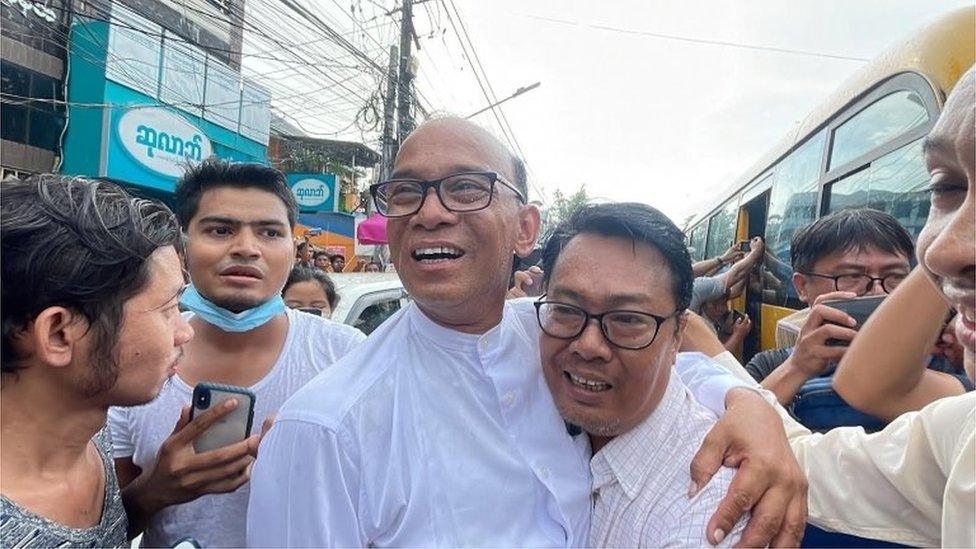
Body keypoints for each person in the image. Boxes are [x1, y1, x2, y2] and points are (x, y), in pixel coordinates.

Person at [248, 117, 806, 548]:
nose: (430, 212)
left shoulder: (551, 334)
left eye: (466, 188)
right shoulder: (324, 431)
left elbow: (670, 365)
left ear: (525, 228)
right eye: (405, 192)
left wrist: (752, 407)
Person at [107, 159, 366, 547]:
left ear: (292, 250)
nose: (246, 248)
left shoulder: (347, 357)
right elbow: (100, 529)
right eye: (220, 229)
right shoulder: (130, 356)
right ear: (183, 247)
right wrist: (157, 487)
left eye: (270, 232)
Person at [0, 175, 232, 546]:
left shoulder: (92, 431)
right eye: (168, 308)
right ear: (60, 333)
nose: (184, 331)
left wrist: (154, 490)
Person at [536, 202, 747, 547]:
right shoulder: (520, 371)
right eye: (566, 309)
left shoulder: (707, 507)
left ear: (678, 333)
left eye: (628, 319)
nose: (588, 345)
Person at [743, 209, 969, 418]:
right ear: (802, 287)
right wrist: (796, 368)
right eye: (852, 277)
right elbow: (731, 435)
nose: (878, 291)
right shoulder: (769, 365)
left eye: (896, 276)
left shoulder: (951, 357)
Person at [689, 237, 764, 314]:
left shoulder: (687, 291)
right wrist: (755, 253)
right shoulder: (696, 289)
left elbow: (735, 291)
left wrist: (728, 260)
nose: (725, 309)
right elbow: (736, 275)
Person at [699, 296, 752, 361]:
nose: (720, 309)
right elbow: (717, 358)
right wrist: (738, 334)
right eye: (714, 304)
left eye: (724, 304)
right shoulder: (699, 324)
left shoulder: (715, 320)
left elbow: (735, 292)